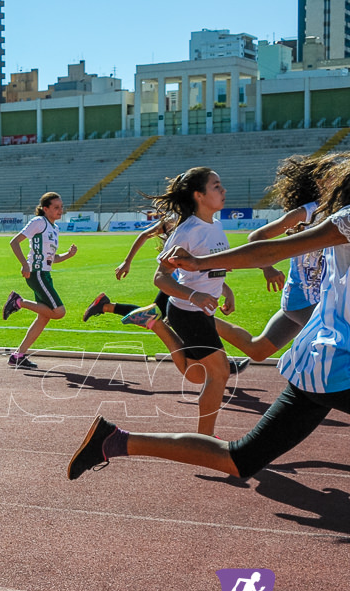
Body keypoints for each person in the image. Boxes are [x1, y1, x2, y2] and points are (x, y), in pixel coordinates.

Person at [67, 157, 350, 482]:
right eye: (216, 185)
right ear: (199, 195)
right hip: (204, 313)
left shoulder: (215, 225)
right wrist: (194, 284)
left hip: (301, 347)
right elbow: (167, 273)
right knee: (207, 374)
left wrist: (220, 285)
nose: (224, 190)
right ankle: (161, 327)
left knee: (232, 420)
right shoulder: (186, 227)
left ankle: (126, 435)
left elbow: (224, 264)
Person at [212, 153, 345, 360]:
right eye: (334, 176)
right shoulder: (308, 212)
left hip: (315, 299)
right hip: (305, 300)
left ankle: (198, 317)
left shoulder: (337, 212)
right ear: (320, 183)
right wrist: (268, 269)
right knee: (340, 344)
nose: (340, 180)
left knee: (258, 350)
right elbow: (258, 235)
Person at [82, 217, 253, 376]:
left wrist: (226, 289)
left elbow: (207, 270)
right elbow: (145, 234)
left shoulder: (207, 223)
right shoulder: (175, 220)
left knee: (162, 316)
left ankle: (105, 305)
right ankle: (220, 363)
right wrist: (127, 261)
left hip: (185, 283)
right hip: (177, 283)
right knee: (177, 319)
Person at [1, 192, 78, 369]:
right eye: (56, 207)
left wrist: (68, 255)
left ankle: (18, 356)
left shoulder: (54, 228)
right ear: (45, 209)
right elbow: (14, 242)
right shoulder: (38, 222)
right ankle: (18, 302)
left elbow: (51, 258)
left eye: (61, 207)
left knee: (44, 318)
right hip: (36, 274)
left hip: (45, 274)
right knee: (59, 312)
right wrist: (24, 265)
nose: (61, 210)